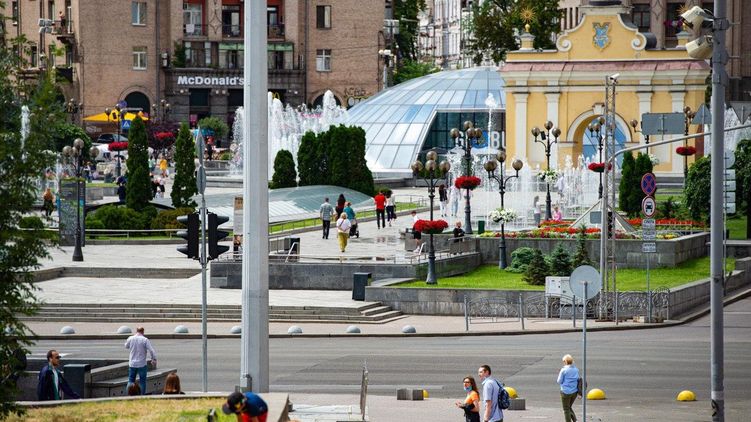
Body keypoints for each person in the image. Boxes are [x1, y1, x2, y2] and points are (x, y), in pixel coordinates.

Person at [125, 326, 157, 395]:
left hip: (132, 363)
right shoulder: (145, 340)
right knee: (142, 381)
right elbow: (151, 350)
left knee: (131, 380)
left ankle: (128, 394)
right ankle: (141, 395)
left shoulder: (130, 338)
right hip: (142, 364)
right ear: (143, 332)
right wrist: (153, 359)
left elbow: (126, 346)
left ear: (136, 331)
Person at [557, 354, 580, 422]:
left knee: (566, 409)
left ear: (565, 362)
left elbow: (559, 381)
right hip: (574, 392)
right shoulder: (576, 369)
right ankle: (575, 420)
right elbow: (577, 379)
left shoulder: (563, 370)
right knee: (569, 407)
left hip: (565, 392)